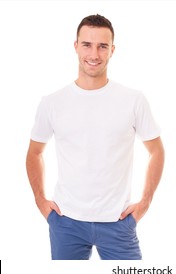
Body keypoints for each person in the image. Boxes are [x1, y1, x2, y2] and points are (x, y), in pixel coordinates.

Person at [26, 14, 165, 260]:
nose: (94, 54)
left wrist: (145, 201)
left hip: (118, 221)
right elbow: (35, 152)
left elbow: (156, 151)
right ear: (75, 46)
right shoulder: (52, 103)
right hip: (66, 222)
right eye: (87, 45)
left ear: (112, 50)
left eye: (102, 46)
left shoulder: (133, 100)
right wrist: (40, 200)